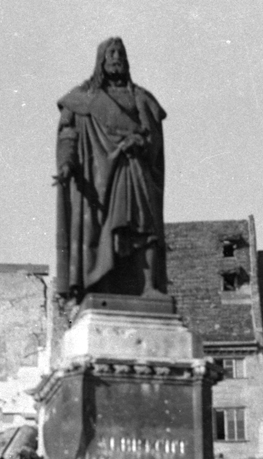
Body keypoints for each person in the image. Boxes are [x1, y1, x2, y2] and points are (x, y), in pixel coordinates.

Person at [55, 37, 167, 300]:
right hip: (99, 177)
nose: (117, 57)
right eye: (111, 53)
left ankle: (149, 286)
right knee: (102, 227)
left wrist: (142, 140)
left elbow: (154, 139)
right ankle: (100, 285)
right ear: (101, 61)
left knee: (145, 226)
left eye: (121, 53)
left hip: (134, 168)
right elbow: (68, 134)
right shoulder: (83, 98)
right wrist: (66, 164)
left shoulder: (141, 97)